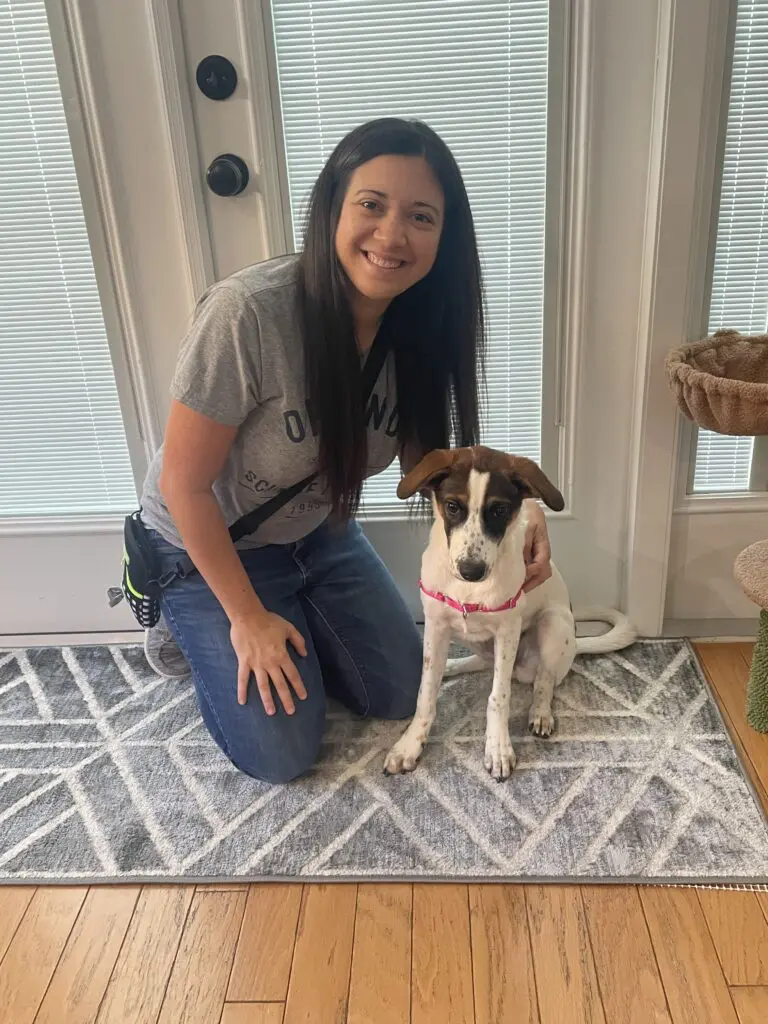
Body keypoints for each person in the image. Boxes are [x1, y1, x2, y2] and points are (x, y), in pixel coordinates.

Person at [139, 117, 553, 784]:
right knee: (281, 753)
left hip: (321, 535)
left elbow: (438, 468)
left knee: (397, 693)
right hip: (209, 541)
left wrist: (528, 520)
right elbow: (185, 486)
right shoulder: (247, 315)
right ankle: (188, 627)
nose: (392, 236)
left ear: (444, 238)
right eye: (371, 204)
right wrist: (246, 619)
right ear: (333, 206)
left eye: (421, 216)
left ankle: (299, 618)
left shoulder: (420, 326)